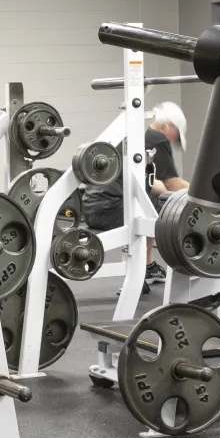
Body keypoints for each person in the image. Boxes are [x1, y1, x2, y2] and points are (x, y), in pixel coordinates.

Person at [80, 101, 189, 294]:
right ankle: (194, 274)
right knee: (175, 211)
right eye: (175, 134)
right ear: (167, 126)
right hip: (112, 210)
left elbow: (153, 184)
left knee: (149, 201)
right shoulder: (155, 138)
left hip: (93, 209)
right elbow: (171, 184)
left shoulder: (131, 135)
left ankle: (147, 267)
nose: (173, 141)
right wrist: (203, 192)